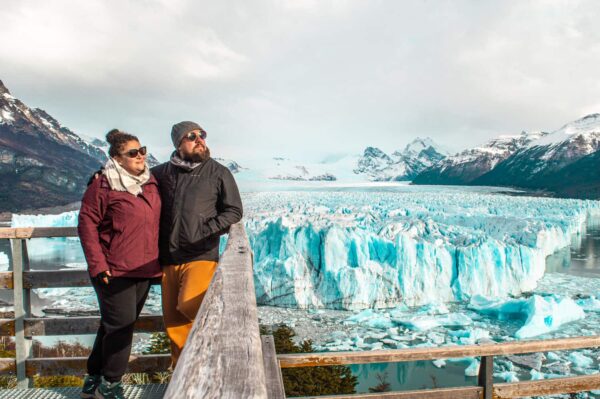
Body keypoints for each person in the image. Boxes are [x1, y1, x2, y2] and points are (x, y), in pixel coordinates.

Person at [78, 129, 162, 399]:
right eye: (133, 153)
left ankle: (93, 378)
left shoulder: (150, 181)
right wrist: (98, 264)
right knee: (122, 326)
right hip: (113, 270)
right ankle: (110, 385)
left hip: (144, 269)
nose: (141, 156)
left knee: (112, 325)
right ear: (116, 158)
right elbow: (87, 224)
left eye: (143, 150)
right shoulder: (103, 185)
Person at [151, 121, 243, 367]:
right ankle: (182, 379)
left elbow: (234, 211)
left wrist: (207, 229)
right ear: (178, 144)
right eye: (191, 136)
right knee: (175, 325)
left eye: (202, 134)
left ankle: (220, 354)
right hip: (168, 259)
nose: (199, 139)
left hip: (201, 254)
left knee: (190, 304)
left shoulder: (218, 172)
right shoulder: (160, 174)